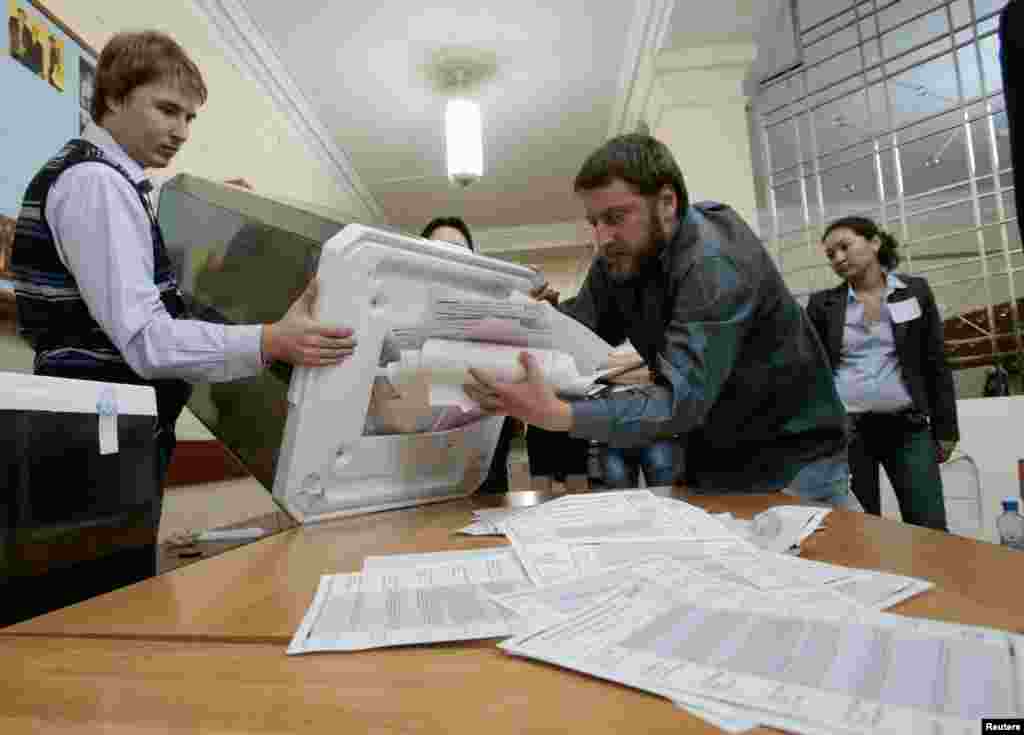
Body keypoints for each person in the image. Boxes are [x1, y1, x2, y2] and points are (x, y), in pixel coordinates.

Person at [7, 31, 355, 620]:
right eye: (168, 110)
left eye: (190, 117)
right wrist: (270, 340)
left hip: (103, 436)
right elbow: (146, 339)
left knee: (102, 612)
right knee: (96, 620)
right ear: (114, 97)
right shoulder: (96, 184)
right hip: (93, 445)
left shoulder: (114, 185)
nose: (182, 132)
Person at [465, 134, 849, 503]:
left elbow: (679, 401)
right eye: (594, 221)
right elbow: (579, 332)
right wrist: (530, 320)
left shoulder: (714, 263)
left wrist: (562, 415)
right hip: (710, 459)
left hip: (794, 463)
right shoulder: (617, 259)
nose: (602, 237)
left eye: (615, 217)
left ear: (667, 202)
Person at [806, 216, 957, 530]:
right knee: (860, 529)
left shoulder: (914, 291)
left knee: (929, 525)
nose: (838, 258)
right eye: (831, 255)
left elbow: (935, 363)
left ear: (874, 243)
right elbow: (812, 372)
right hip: (848, 432)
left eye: (844, 247)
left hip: (907, 427)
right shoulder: (823, 305)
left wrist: (946, 429)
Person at [421, 215, 515, 492]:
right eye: (439, 252)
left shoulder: (498, 317)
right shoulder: (393, 316)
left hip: (485, 482)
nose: (449, 260)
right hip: (414, 480)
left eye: (459, 253)